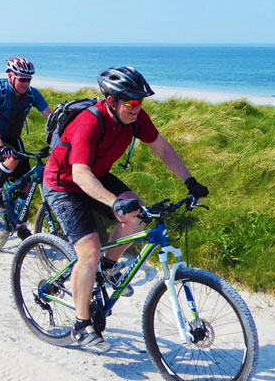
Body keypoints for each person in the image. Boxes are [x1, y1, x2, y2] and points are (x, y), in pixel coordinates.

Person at [42, 66, 208, 352]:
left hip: (97, 174)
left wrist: (190, 181)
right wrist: (113, 202)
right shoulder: (88, 123)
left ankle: (106, 268)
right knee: (89, 251)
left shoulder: (135, 119)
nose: (137, 108)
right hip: (64, 184)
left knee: (139, 213)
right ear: (111, 101)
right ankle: (81, 326)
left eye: (140, 102)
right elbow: (80, 174)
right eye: (131, 102)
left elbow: (162, 148)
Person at [0, 57, 51, 239]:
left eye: (29, 79)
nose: (26, 83)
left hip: (13, 138)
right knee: (11, 159)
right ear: (11, 76)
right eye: (22, 79)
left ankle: (19, 224)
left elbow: (51, 118)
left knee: (27, 182)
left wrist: (62, 141)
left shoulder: (32, 94)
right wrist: (1, 147)